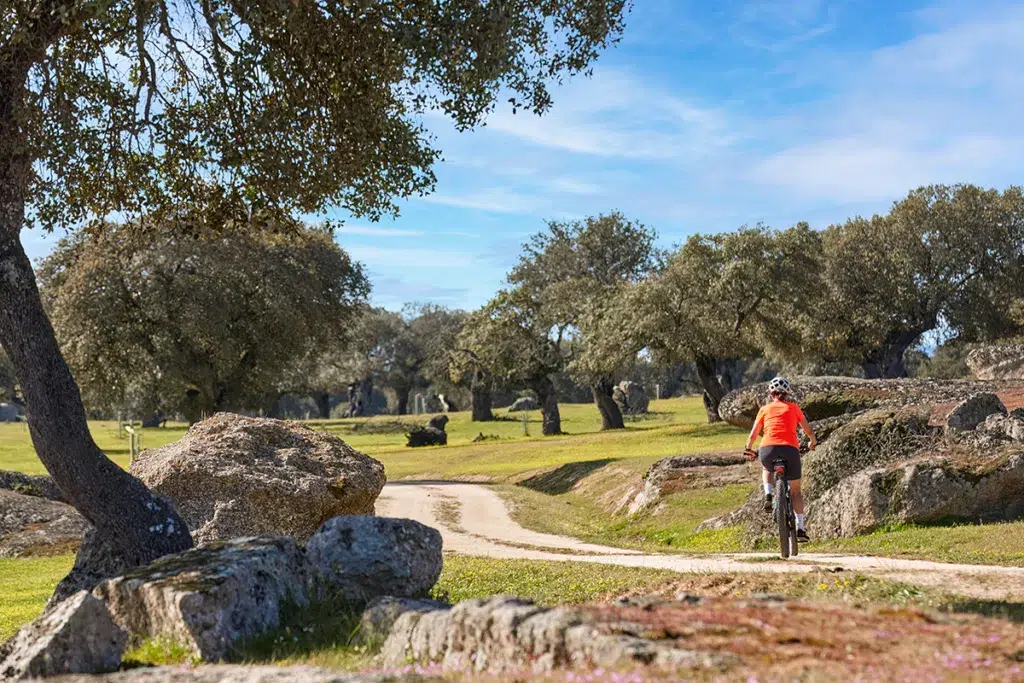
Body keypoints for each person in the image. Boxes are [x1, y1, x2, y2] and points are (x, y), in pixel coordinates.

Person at [743, 376, 817, 542]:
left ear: (771, 394)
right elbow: (809, 432)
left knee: (767, 468)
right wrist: (812, 443)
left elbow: (754, 433)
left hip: (768, 449)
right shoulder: (794, 408)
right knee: (796, 491)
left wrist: (748, 448)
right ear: (787, 394)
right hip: (790, 449)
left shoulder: (764, 409)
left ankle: (768, 494)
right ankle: (801, 529)